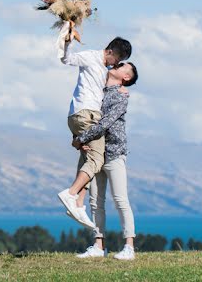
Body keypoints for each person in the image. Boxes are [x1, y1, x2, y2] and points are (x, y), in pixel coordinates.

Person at [56, 21, 132, 228]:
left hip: (84, 115)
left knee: (87, 158)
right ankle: (71, 194)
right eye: (116, 60)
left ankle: (79, 204)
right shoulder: (91, 57)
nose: (114, 65)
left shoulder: (105, 72)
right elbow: (67, 58)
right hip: (86, 114)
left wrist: (122, 91)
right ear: (109, 51)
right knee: (97, 160)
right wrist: (68, 39)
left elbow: (108, 92)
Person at [74, 61, 139, 260]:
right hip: (96, 153)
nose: (115, 66)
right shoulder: (97, 90)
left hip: (114, 152)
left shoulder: (121, 97)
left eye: (121, 66)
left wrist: (81, 139)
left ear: (125, 77)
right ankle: (98, 246)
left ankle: (129, 247)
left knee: (120, 199)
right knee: (96, 201)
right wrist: (80, 137)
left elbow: (104, 124)